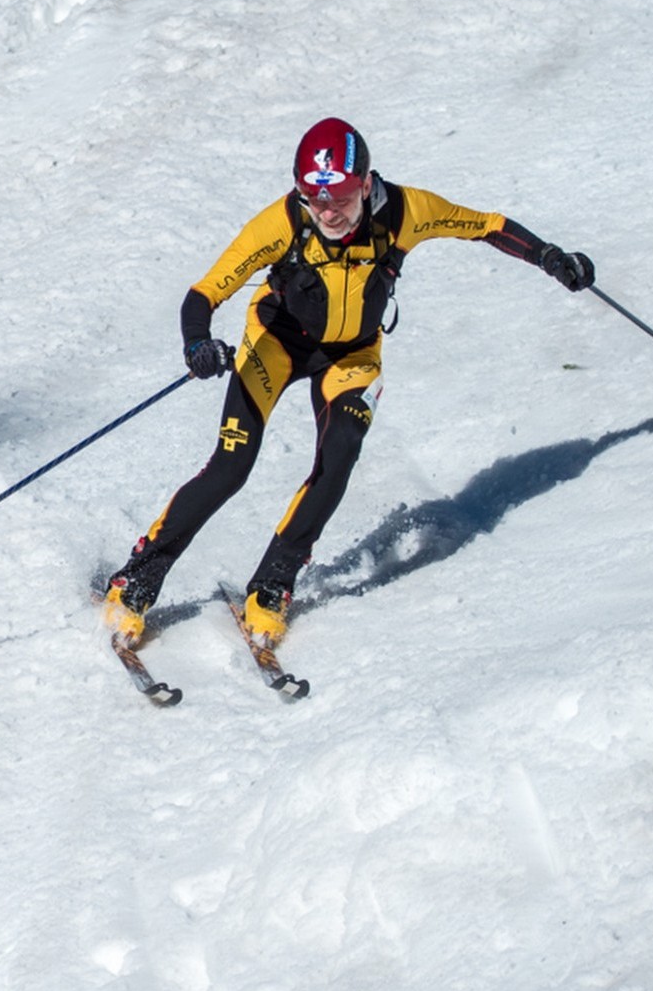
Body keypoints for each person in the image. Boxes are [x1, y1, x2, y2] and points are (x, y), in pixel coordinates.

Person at [102, 118, 594, 661]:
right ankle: (136, 581)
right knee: (231, 466)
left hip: (353, 355)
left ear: (364, 183)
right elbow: (203, 293)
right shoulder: (283, 222)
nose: (326, 211)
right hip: (278, 343)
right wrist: (198, 343)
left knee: (338, 457)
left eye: (338, 195)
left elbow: (485, 225)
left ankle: (271, 588)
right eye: (313, 196)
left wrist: (549, 257)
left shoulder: (406, 212)